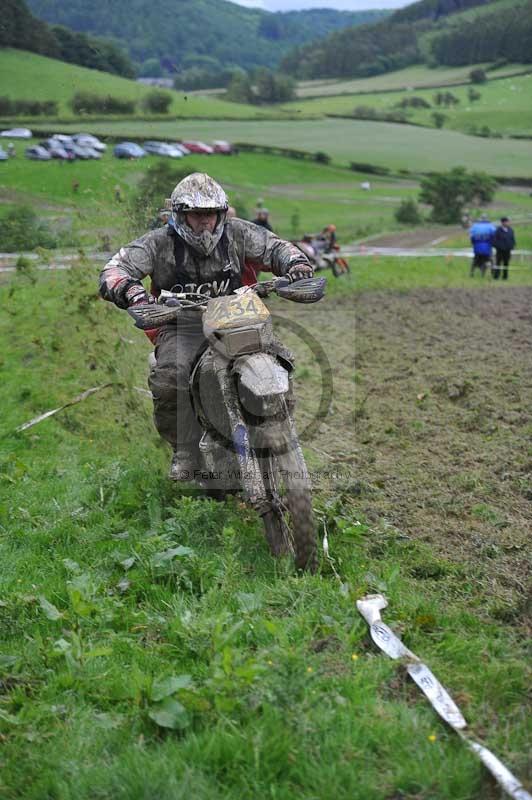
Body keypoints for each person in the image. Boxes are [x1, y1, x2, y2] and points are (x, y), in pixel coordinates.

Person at [99, 172, 313, 480]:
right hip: (182, 324)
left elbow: (276, 246)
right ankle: (184, 449)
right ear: (180, 215)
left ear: (221, 214)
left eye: (211, 214)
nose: (205, 223)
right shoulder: (159, 242)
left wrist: (296, 265)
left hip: (240, 317)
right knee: (171, 377)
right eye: (198, 215)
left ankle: (277, 423)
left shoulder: (239, 233)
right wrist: (131, 290)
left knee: (279, 360)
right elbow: (115, 268)